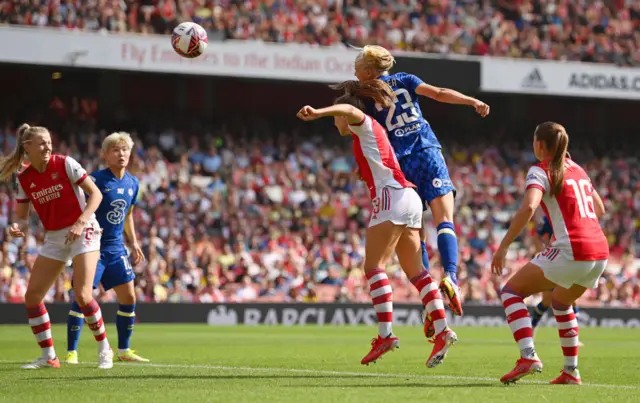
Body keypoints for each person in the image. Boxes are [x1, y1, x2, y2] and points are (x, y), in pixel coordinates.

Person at [296, 79, 457, 369]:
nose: (335, 123)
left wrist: (319, 111)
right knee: (418, 273)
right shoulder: (368, 135)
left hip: (392, 197)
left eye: (335, 119)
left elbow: (348, 108)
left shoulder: (363, 123)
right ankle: (443, 330)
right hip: (409, 198)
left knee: (374, 267)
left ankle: (385, 335)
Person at [348, 45, 490, 335]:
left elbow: (368, 135)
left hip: (401, 163)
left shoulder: (364, 95)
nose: (354, 69)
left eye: (358, 64)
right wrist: (471, 101)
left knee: (417, 231)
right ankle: (450, 277)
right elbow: (438, 93)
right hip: (427, 151)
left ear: (370, 71)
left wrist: (363, 167)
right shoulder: (405, 79)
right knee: (445, 220)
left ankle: (431, 303)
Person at [491, 122, 608, 385]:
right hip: (599, 252)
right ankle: (571, 371)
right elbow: (599, 209)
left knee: (511, 292)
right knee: (562, 304)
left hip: (573, 249)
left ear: (540, 145)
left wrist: (504, 245)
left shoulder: (541, 170)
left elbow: (528, 207)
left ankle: (528, 356)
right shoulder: (578, 169)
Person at [0, 124, 113, 369]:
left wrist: (81, 221)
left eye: (49, 142)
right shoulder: (24, 179)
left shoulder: (65, 163)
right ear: (26, 147)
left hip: (84, 230)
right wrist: (16, 226)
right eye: (41, 143)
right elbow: (22, 216)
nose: (48, 147)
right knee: (32, 297)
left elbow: (96, 195)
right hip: (55, 237)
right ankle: (49, 356)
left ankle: (105, 347)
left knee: (83, 295)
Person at [65, 132, 148, 364]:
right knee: (82, 297)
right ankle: (72, 352)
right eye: (116, 150)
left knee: (129, 297)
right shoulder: (96, 180)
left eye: (125, 150)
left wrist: (133, 242)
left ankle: (124, 350)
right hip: (92, 245)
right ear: (105, 154)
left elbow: (128, 215)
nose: (121, 154)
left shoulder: (133, 182)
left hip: (115, 247)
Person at [530, 216, 582, 343]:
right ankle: (532, 328)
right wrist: (542, 253)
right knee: (547, 300)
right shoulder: (549, 217)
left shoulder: (574, 217)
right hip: (553, 262)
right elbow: (536, 235)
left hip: (569, 261)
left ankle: (574, 336)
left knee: (573, 300)